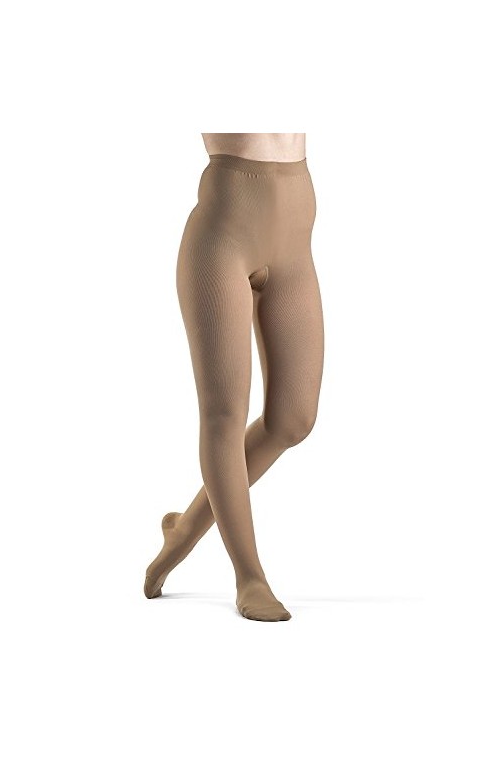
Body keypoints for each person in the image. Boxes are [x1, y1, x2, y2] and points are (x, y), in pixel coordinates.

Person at [144, 133, 325, 621]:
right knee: (224, 414)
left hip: (295, 239)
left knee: (293, 420)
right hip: (224, 235)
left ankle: (185, 530)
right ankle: (250, 577)